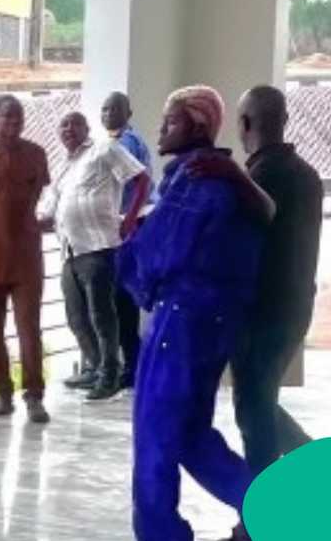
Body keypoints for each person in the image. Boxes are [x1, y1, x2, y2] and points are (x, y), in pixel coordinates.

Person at [117, 85, 259, 541]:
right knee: (191, 435)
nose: (161, 129)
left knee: (156, 436)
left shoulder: (196, 181)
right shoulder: (219, 179)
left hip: (180, 321)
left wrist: (122, 257)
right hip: (213, 322)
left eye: (171, 120)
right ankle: (271, 503)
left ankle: (160, 534)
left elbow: (160, 254)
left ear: (197, 125)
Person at [187, 84, 321, 476]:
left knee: (253, 414)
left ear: (245, 123)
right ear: (286, 121)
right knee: (259, 401)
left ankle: (259, 518)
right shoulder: (307, 175)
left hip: (259, 312)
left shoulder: (256, 179)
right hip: (295, 307)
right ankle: (313, 468)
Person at [38, 112, 150, 401]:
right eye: (63, 124)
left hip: (99, 246)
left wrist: (131, 217)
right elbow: (49, 210)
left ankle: (109, 376)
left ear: (87, 129)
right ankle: (93, 368)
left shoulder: (105, 149)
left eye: (75, 123)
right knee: (76, 316)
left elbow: (141, 178)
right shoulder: (64, 168)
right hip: (70, 250)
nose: (68, 129)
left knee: (103, 317)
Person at [0, 94, 52, 423]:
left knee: (28, 328)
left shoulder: (36, 154)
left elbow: (41, 196)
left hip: (25, 253)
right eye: (6, 117)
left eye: (17, 117)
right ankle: (1, 393)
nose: (13, 123)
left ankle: (34, 396)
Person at [101, 92, 157, 389]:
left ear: (128, 112)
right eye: (105, 108)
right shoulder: (119, 141)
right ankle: (129, 365)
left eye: (114, 109)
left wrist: (127, 220)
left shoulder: (126, 144)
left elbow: (141, 184)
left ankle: (131, 366)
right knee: (122, 300)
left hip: (129, 230)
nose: (108, 113)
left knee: (122, 300)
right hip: (130, 227)